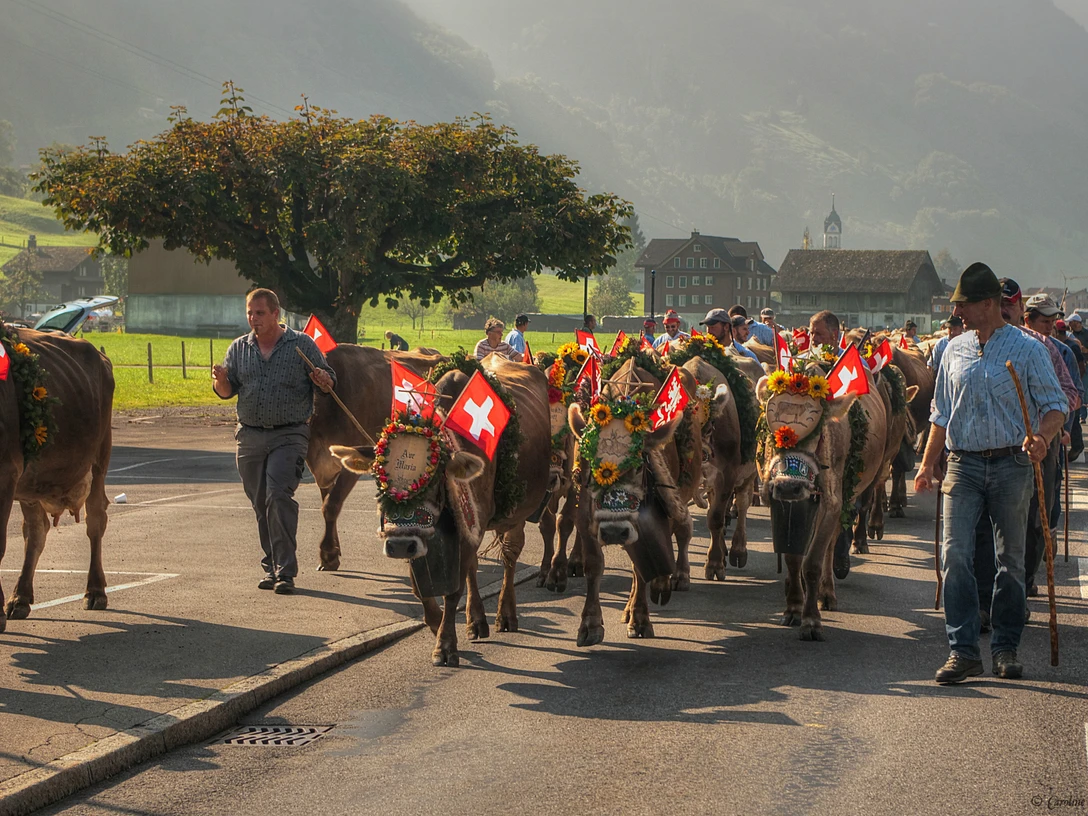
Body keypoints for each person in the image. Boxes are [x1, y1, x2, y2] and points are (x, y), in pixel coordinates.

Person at [915, 263, 1066, 684]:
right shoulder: (952, 351)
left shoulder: (1029, 349)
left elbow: (1057, 405)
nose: (957, 310)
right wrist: (928, 463)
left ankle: (1004, 648)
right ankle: (963, 651)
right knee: (954, 557)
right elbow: (940, 413)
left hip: (1011, 465)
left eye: (964, 304)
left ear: (989, 304)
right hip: (961, 464)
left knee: (1010, 562)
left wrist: (1042, 437)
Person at [212, 289, 337, 595]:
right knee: (259, 502)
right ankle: (272, 566)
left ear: (275, 314)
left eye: (260, 313)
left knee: (278, 496)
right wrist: (221, 381)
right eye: (250, 313)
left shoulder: (301, 345)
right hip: (250, 435)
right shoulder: (239, 349)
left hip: (289, 434)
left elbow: (328, 380)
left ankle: (285, 571)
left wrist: (322, 378)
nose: (254, 319)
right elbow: (228, 392)